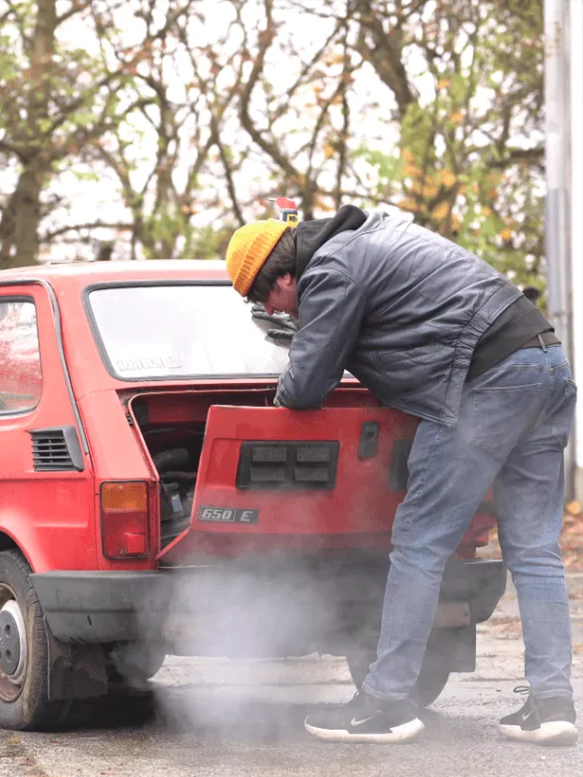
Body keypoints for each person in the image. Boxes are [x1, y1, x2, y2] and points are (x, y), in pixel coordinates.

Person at [225, 205, 577, 747]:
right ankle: (552, 705)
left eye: (259, 297)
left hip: (483, 381)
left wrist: (294, 352)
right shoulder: (375, 235)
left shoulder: (330, 270)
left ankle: (386, 704)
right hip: (544, 362)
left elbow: (304, 389)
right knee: (533, 547)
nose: (266, 308)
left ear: (285, 276)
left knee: (419, 543)